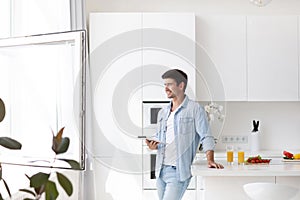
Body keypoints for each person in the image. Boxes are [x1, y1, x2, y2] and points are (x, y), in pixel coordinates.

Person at [146, 69, 223, 200]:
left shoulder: (195, 109)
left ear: (181, 86)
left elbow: (206, 136)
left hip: (178, 172)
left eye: (169, 84)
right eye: (164, 85)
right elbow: (160, 137)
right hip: (160, 171)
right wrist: (153, 145)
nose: (165, 88)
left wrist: (210, 160)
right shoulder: (163, 112)